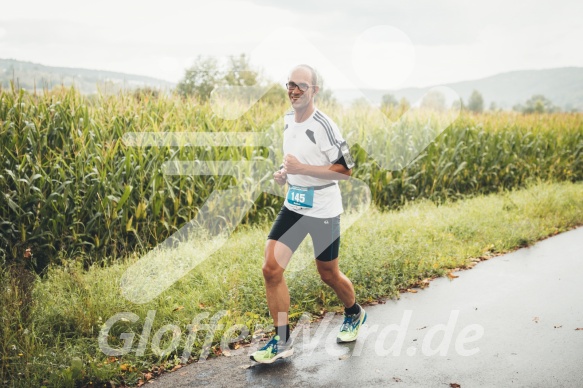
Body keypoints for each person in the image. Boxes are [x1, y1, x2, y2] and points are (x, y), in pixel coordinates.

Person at [250, 64, 366, 364]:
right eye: (290, 84)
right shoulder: (288, 119)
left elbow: (346, 170)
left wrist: (302, 169)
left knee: (328, 273)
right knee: (271, 269)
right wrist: (285, 172)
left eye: (301, 85)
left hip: (323, 210)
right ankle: (282, 341)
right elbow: (296, 158)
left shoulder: (325, 125)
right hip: (294, 205)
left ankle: (354, 312)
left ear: (314, 90)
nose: (294, 90)